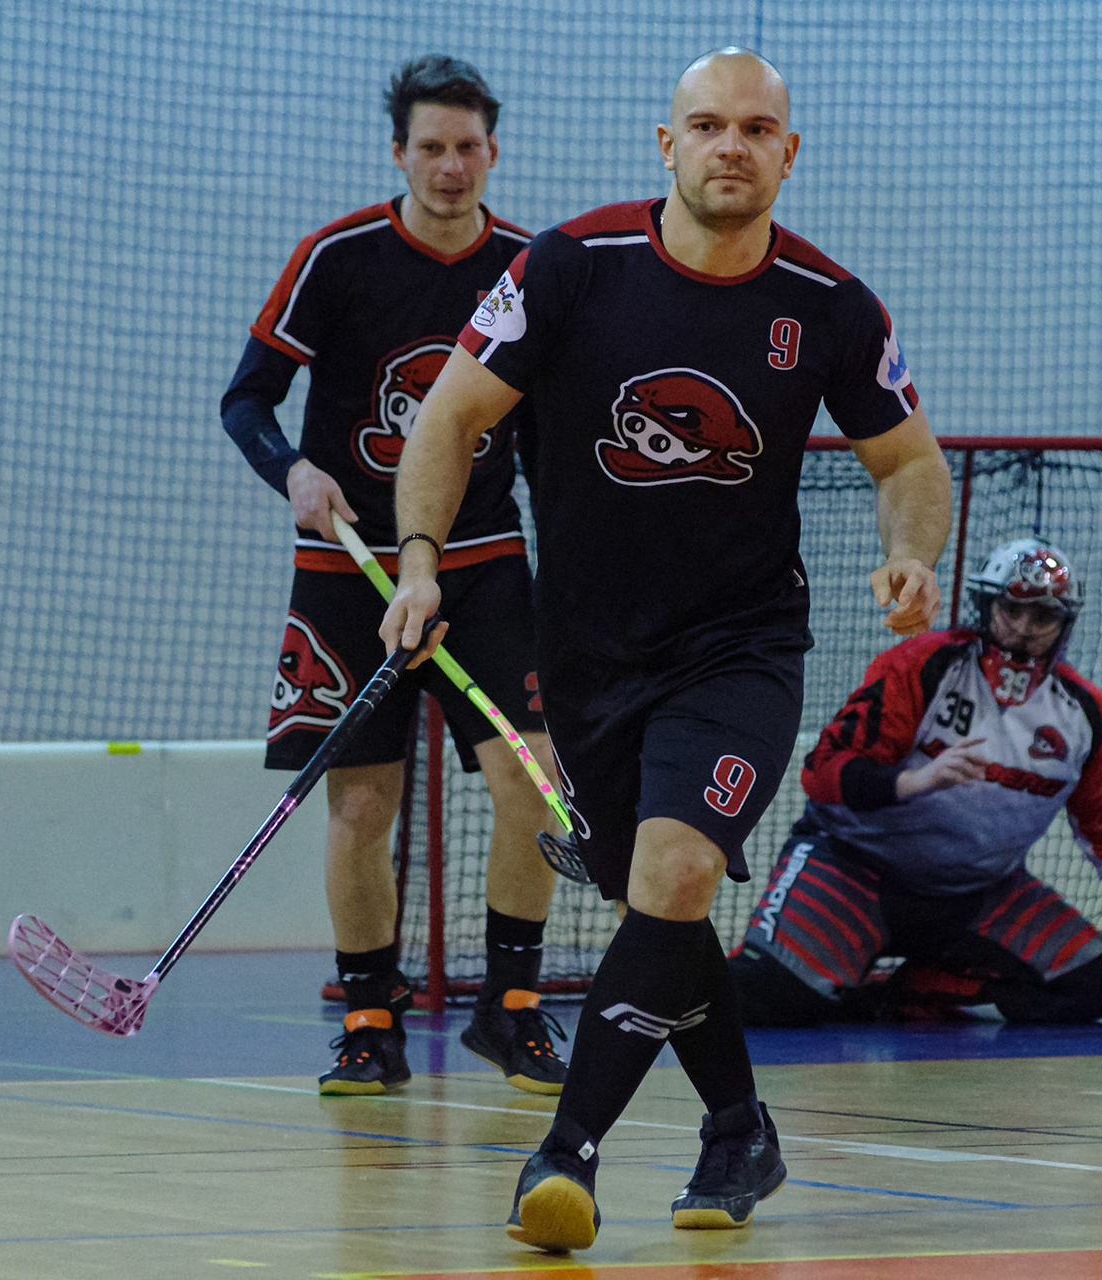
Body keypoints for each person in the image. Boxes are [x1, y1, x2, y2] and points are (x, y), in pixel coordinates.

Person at [379, 48, 952, 1253]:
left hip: (740, 648)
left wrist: (911, 552)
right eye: (707, 125)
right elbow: (451, 414)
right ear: (667, 143)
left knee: (678, 869)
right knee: (662, 904)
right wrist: (421, 560)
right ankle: (739, 1125)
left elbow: (907, 458)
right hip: (588, 658)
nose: (730, 146)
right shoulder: (572, 266)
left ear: (788, 151)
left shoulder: (830, 303)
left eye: (755, 129)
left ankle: (567, 1153)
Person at [220, 55, 567, 1098]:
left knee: (533, 783)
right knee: (362, 804)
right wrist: (293, 470)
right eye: (431, 147)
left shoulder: (529, 268)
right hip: (350, 568)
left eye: (468, 147)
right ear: (398, 154)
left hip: (482, 563)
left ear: (493, 151)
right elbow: (247, 398)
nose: (451, 166)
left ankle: (510, 1007)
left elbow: (548, 428)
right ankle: (370, 1020)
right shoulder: (337, 257)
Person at [729, 538, 1102, 1028]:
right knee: (758, 996)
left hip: (978, 893)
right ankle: (824, 981)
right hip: (851, 867)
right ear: (987, 607)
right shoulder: (922, 664)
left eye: (1044, 615)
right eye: (1013, 609)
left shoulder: (1088, 718)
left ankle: (902, 990)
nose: (1025, 628)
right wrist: (913, 782)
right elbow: (822, 773)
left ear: (1065, 623)